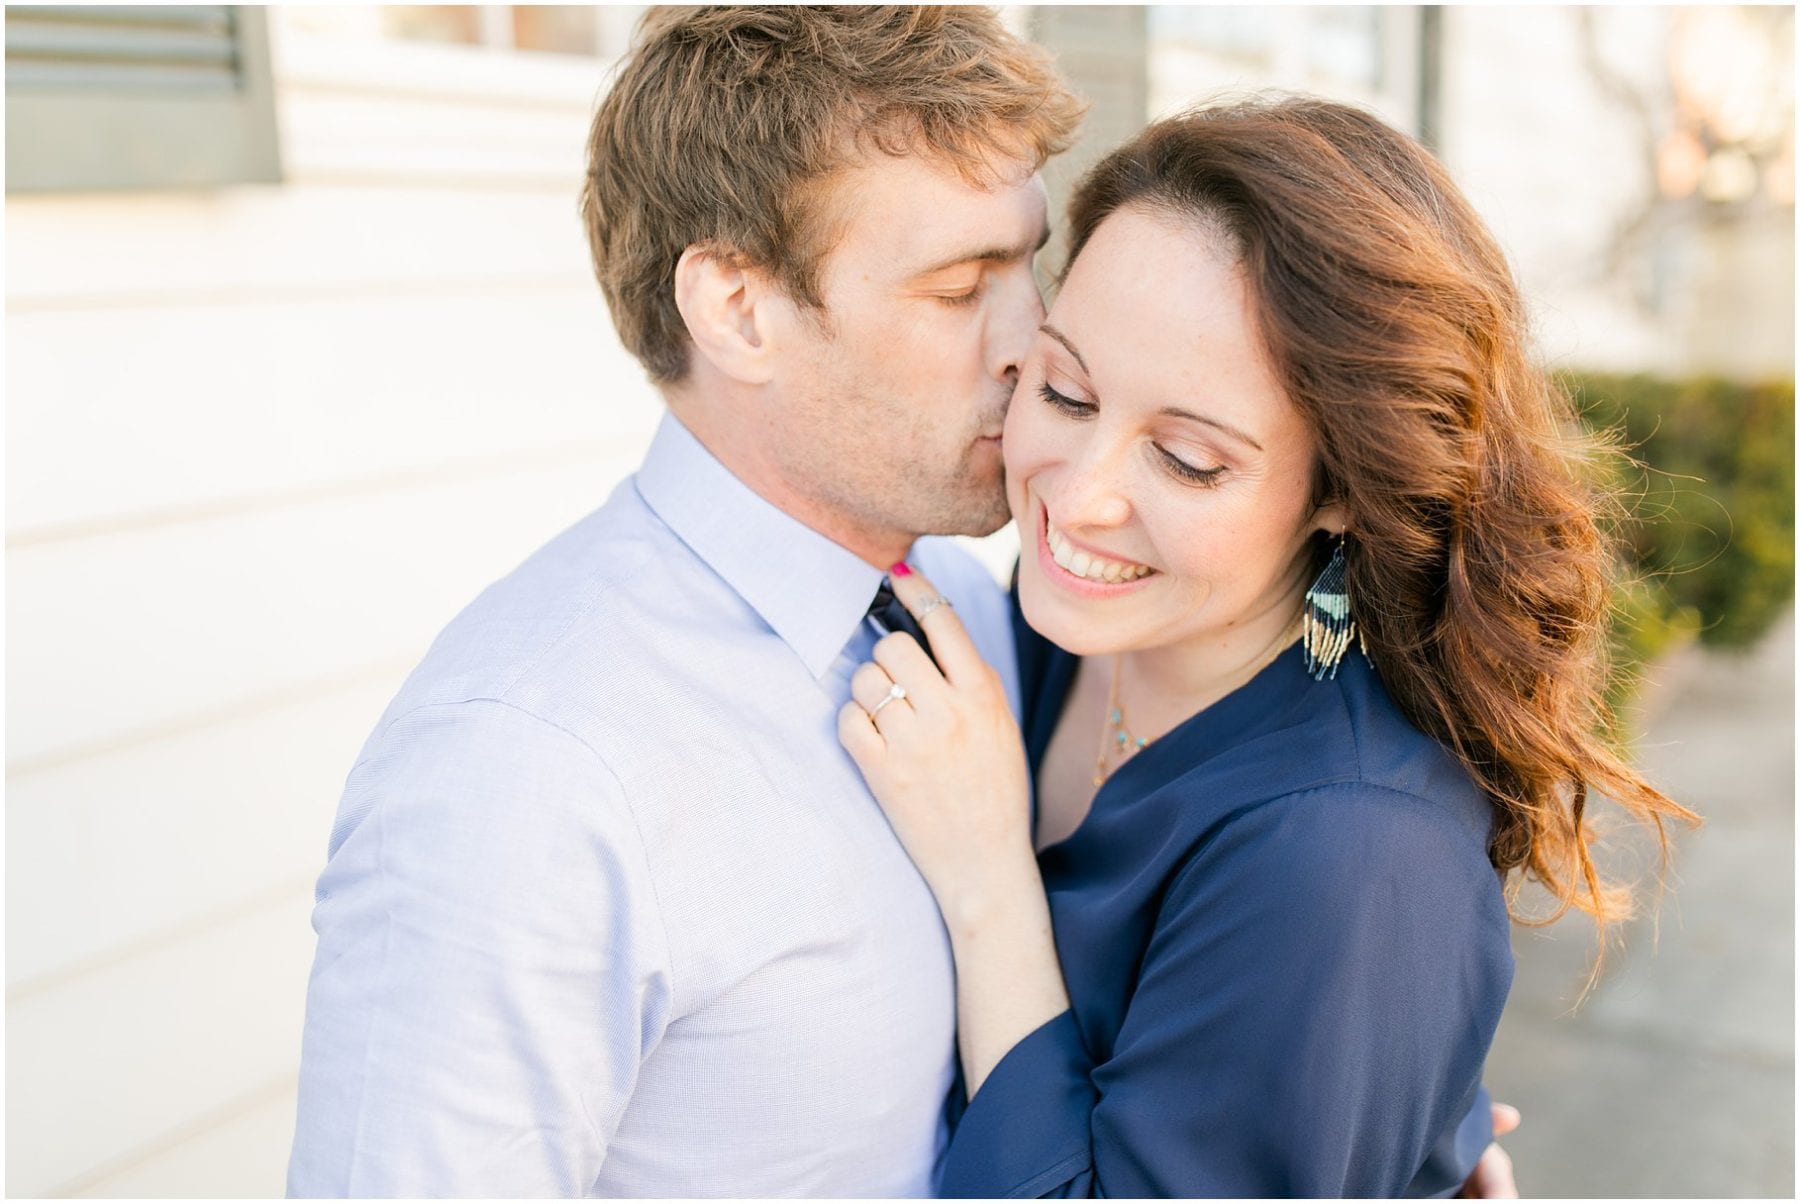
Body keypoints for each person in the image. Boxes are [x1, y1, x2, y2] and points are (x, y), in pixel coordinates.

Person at [287, 7, 1080, 1195]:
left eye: (1029, 263)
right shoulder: (526, 771)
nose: (1038, 343)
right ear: (738, 310)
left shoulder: (974, 608)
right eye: (961, 286)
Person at [840, 97, 1692, 1197]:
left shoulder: (1346, 851)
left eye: (1189, 459)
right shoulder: (1066, 624)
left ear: (1342, 491)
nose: (1078, 497)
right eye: (1064, 389)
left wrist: (988, 886)